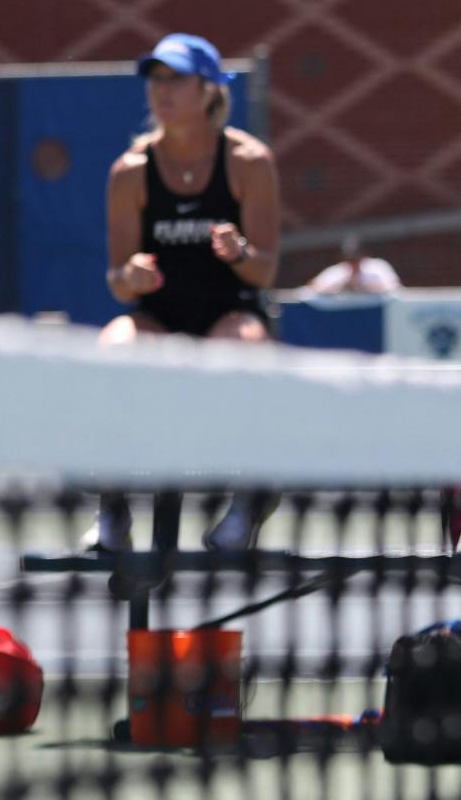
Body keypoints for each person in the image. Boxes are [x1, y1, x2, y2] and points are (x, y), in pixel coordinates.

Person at [86, 33, 283, 554]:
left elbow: (264, 273)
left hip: (229, 313)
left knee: (244, 348)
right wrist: (132, 276)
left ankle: (248, 501)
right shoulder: (129, 172)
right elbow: (116, 280)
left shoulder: (249, 161)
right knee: (111, 349)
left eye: (176, 79)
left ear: (210, 90)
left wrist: (239, 252)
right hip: (158, 318)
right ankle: (112, 510)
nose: (162, 90)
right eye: (156, 79)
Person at [304, 234, 402, 295]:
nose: (353, 263)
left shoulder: (377, 267)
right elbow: (314, 286)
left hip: (378, 315)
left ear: (364, 256)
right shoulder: (339, 271)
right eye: (350, 260)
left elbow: (395, 288)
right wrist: (343, 286)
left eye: (356, 259)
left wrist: (366, 287)